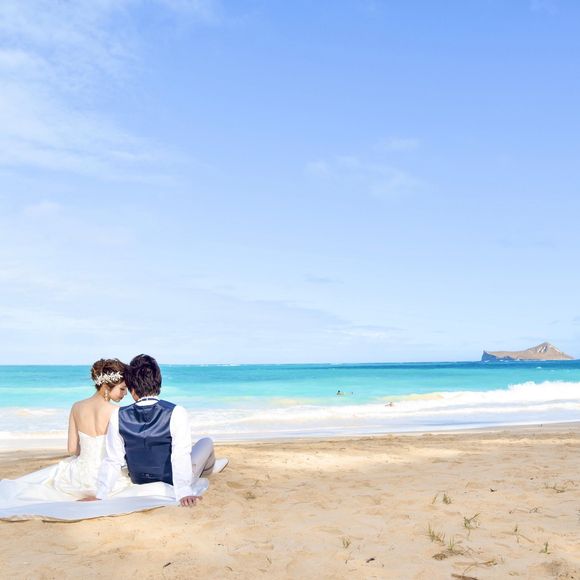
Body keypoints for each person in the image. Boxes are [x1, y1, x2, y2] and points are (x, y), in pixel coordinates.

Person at [95, 354, 228, 507]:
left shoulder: (117, 415)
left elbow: (113, 459)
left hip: (138, 479)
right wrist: (184, 492)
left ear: (132, 389)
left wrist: (101, 495)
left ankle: (209, 468)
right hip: (171, 481)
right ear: (158, 382)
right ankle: (209, 469)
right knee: (206, 442)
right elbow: (180, 455)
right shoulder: (176, 412)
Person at [0, 359, 132, 503]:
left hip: (78, 477)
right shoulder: (117, 411)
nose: (125, 393)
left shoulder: (76, 407)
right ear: (106, 386)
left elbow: (72, 449)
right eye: (122, 388)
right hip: (106, 478)